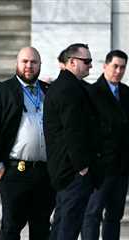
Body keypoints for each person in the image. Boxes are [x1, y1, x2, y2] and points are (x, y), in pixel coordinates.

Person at [0, 46, 56, 240]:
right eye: (25, 61)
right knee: (12, 226)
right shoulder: (1, 90)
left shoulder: (49, 91)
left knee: (41, 227)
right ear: (17, 63)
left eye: (34, 62)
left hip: (45, 173)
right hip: (14, 172)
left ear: (40, 65)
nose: (29, 66)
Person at [43, 43, 104, 240]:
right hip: (73, 172)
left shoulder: (67, 86)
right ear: (71, 62)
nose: (90, 66)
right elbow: (73, 132)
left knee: (63, 223)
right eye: (86, 61)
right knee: (68, 226)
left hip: (67, 170)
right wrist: (82, 167)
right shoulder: (69, 89)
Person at [81, 50, 129, 240]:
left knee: (114, 216)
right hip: (100, 168)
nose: (118, 71)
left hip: (122, 167)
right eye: (115, 66)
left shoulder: (127, 93)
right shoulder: (92, 93)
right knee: (92, 214)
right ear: (105, 66)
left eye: (122, 67)